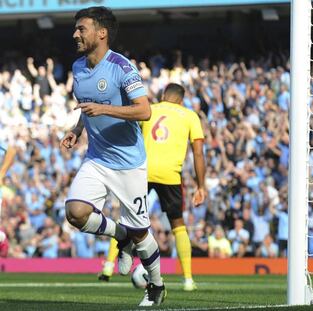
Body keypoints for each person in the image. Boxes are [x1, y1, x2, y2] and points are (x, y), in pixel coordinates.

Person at [60, 6, 165, 306]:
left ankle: (156, 285)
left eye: (82, 28)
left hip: (129, 162)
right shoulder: (78, 68)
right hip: (97, 157)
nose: (75, 34)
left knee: (142, 232)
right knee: (75, 213)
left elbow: (144, 110)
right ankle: (120, 236)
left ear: (101, 33)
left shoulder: (121, 67)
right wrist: (78, 129)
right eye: (76, 29)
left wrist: (105, 109)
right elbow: (86, 106)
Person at [99, 83, 206, 292]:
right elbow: (199, 153)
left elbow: (129, 137)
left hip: (143, 171)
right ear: (182, 100)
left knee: (127, 217)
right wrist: (201, 185)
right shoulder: (190, 115)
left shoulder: (151, 109)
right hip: (170, 175)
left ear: (164, 95)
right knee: (178, 225)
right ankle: (188, 280)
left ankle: (109, 267)